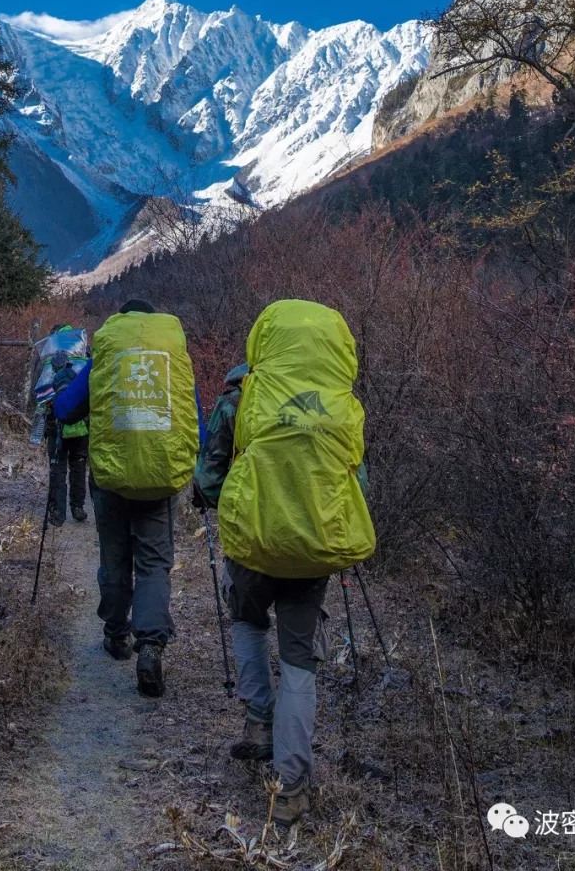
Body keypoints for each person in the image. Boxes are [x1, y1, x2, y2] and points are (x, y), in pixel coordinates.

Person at [193, 300, 376, 828]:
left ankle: (256, 721)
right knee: (300, 659)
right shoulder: (341, 406)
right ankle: (291, 785)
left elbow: (209, 480)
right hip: (313, 549)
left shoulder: (243, 398)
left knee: (248, 621)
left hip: (252, 540)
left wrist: (217, 501)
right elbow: (356, 484)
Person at [54, 298, 203, 698]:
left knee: (115, 558)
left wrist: (64, 391)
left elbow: (66, 411)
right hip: (160, 479)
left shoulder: (105, 358)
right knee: (154, 563)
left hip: (112, 478)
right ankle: (151, 644)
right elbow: (194, 422)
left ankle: (117, 635)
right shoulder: (173, 362)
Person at [44, 354, 89, 525]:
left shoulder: (49, 379)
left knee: (58, 469)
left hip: (57, 431)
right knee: (78, 466)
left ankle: (58, 513)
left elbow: (43, 404)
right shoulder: (79, 376)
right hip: (80, 431)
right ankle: (78, 507)